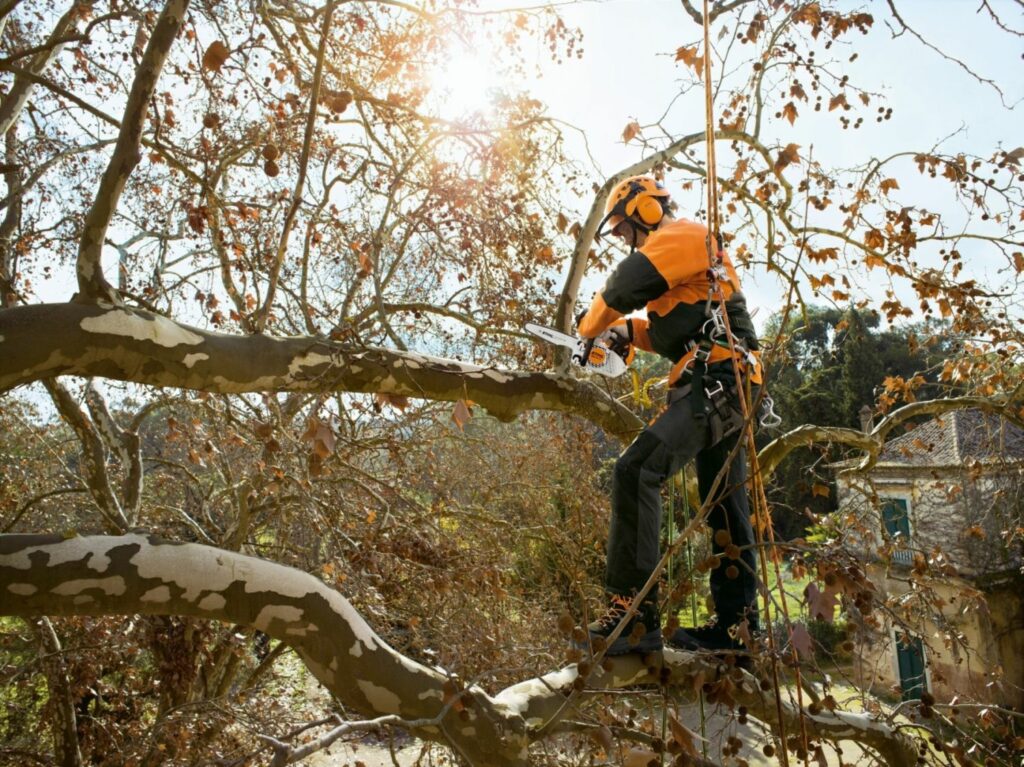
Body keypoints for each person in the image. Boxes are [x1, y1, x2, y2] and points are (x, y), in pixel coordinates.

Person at [575, 175, 762, 655]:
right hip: (726, 379)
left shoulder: (681, 235)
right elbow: (666, 332)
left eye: (622, 229)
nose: (622, 239)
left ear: (647, 210)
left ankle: (633, 616)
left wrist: (590, 327)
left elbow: (623, 285)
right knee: (724, 505)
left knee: (636, 470)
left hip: (718, 380)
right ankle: (736, 632)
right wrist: (623, 335)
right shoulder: (685, 268)